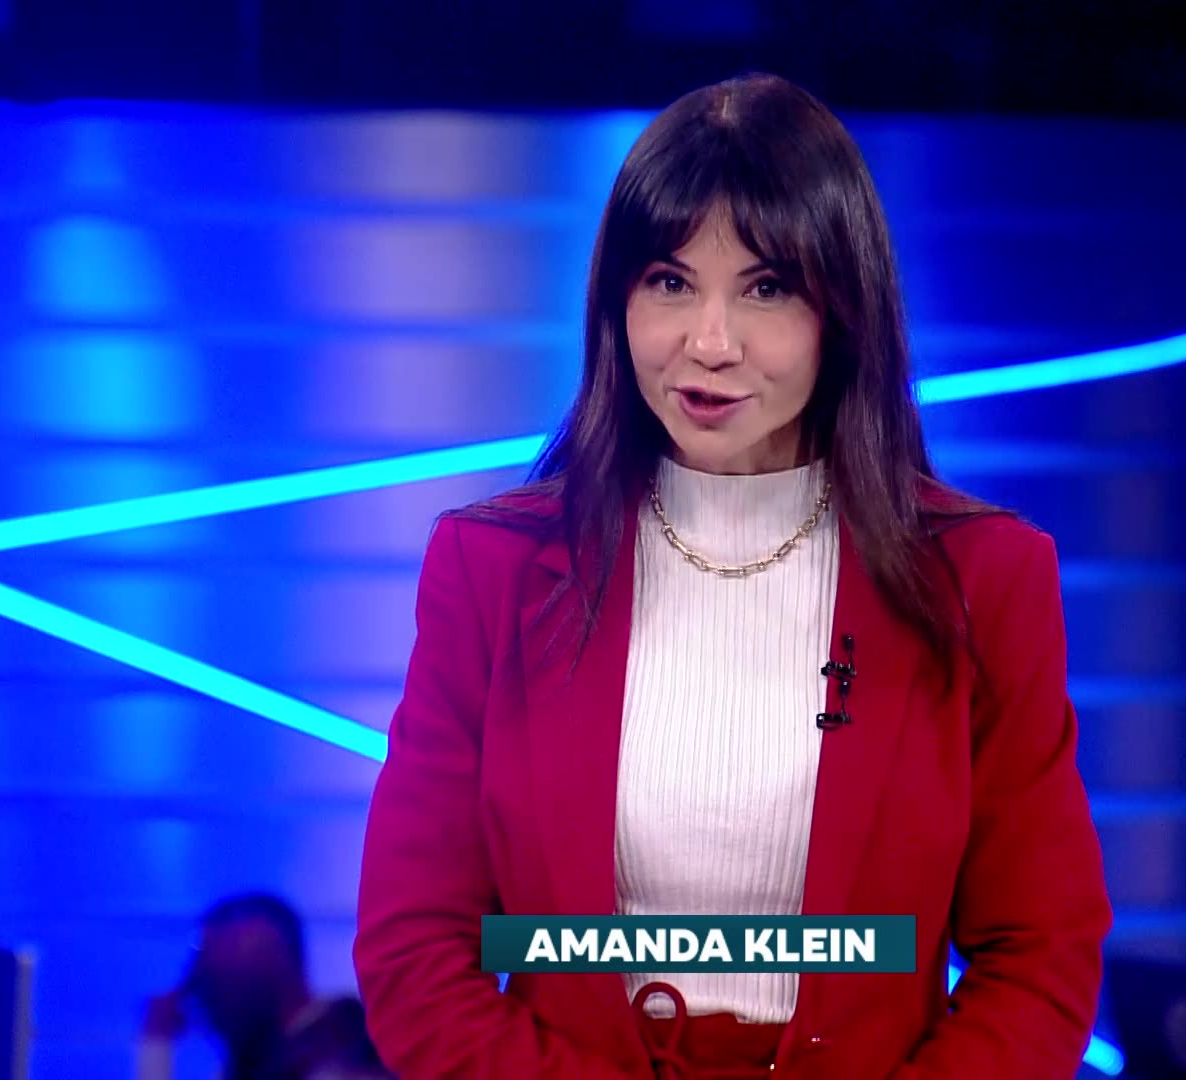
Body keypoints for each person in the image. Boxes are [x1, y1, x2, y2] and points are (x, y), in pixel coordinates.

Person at [353, 73, 1111, 1078]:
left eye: (766, 288)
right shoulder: (491, 570)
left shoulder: (983, 578)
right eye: (670, 282)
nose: (709, 344)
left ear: (843, 312)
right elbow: (415, 954)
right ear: (616, 302)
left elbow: (1039, 957)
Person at [141, 892, 390, 1080]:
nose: (204, 998)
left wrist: (156, 1043)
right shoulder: (258, 1058)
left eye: (222, 977)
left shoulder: (346, 1058)